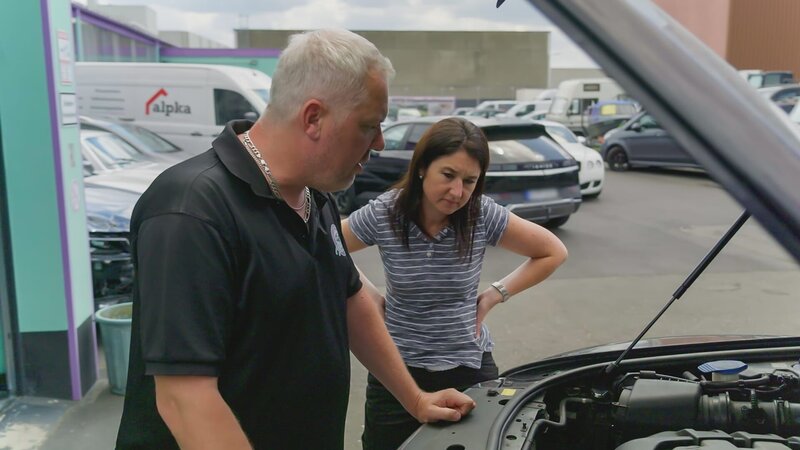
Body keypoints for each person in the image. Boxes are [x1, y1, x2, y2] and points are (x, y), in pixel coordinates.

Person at [115, 29, 475, 450]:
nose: (378, 143)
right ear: (313, 118)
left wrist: (414, 399)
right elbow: (184, 399)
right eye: (368, 126)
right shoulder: (191, 210)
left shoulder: (314, 196)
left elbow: (348, 297)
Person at [341, 117, 569, 450]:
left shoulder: (481, 214)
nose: (457, 192)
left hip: (467, 367)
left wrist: (495, 294)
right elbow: (328, 245)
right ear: (422, 168)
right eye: (448, 175)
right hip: (396, 371)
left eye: (469, 181)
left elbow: (552, 252)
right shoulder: (386, 212)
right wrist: (366, 293)